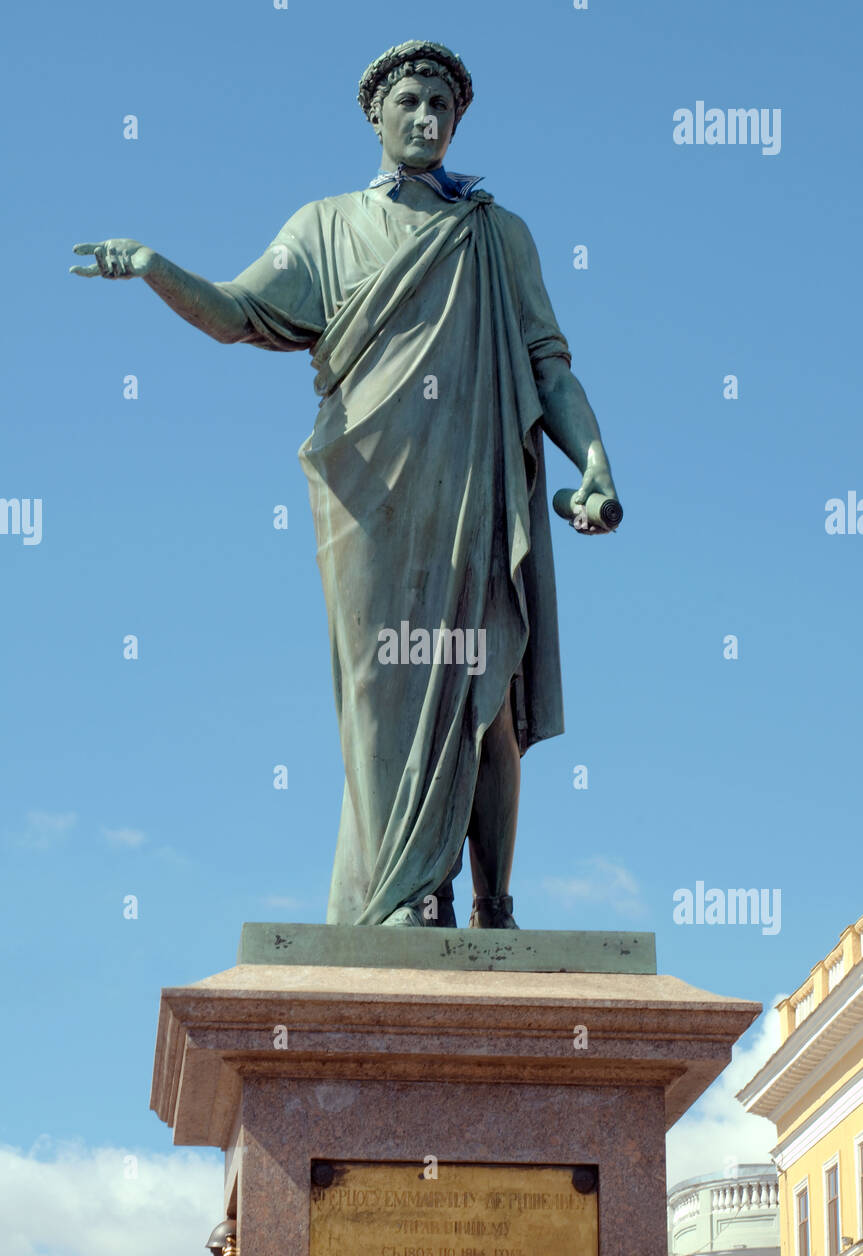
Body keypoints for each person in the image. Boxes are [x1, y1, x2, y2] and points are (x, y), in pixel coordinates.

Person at [71, 40, 620, 931]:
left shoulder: (495, 234)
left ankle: (492, 906)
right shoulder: (325, 226)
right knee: (382, 694)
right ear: (375, 113)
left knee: (483, 698)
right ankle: (404, 895)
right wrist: (153, 269)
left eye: (442, 104)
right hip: (369, 496)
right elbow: (237, 312)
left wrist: (592, 463)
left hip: (476, 488)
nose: (426, 117)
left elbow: (548, 367)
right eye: (409, 100)